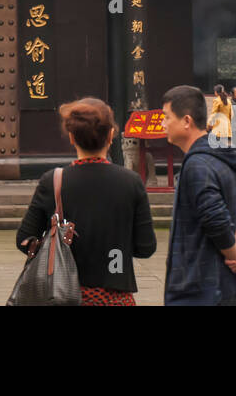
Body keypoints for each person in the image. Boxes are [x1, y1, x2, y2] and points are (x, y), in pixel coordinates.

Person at [17, 98, 156, 306]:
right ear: (111, 135)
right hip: (115, 297)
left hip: (64, 296)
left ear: (72, 137)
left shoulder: (53, 181)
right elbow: (146, 247)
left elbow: (24, 239)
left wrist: (58, 248)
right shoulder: (131, 182)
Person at [161, 85, 236, 305]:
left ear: (186, 121)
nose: (163, 124)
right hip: (224, 286)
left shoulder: (197, 165)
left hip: (198, 288)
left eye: (166, 117)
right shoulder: (223, 158)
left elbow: (216, 221)